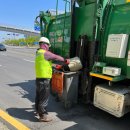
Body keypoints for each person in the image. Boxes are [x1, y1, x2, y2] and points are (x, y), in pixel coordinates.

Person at [35, 37, 66, 122]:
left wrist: (52, 66)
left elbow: (44, 63)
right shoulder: (45, 53)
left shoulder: (38, 52)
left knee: (39, 97)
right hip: (44, 80)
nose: (48, 47)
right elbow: (56, 57)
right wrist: (65, 60)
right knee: (44, 98)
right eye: (48, 45)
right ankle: (43, 116)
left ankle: (38, 111)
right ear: (45, 45)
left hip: (38, 79)